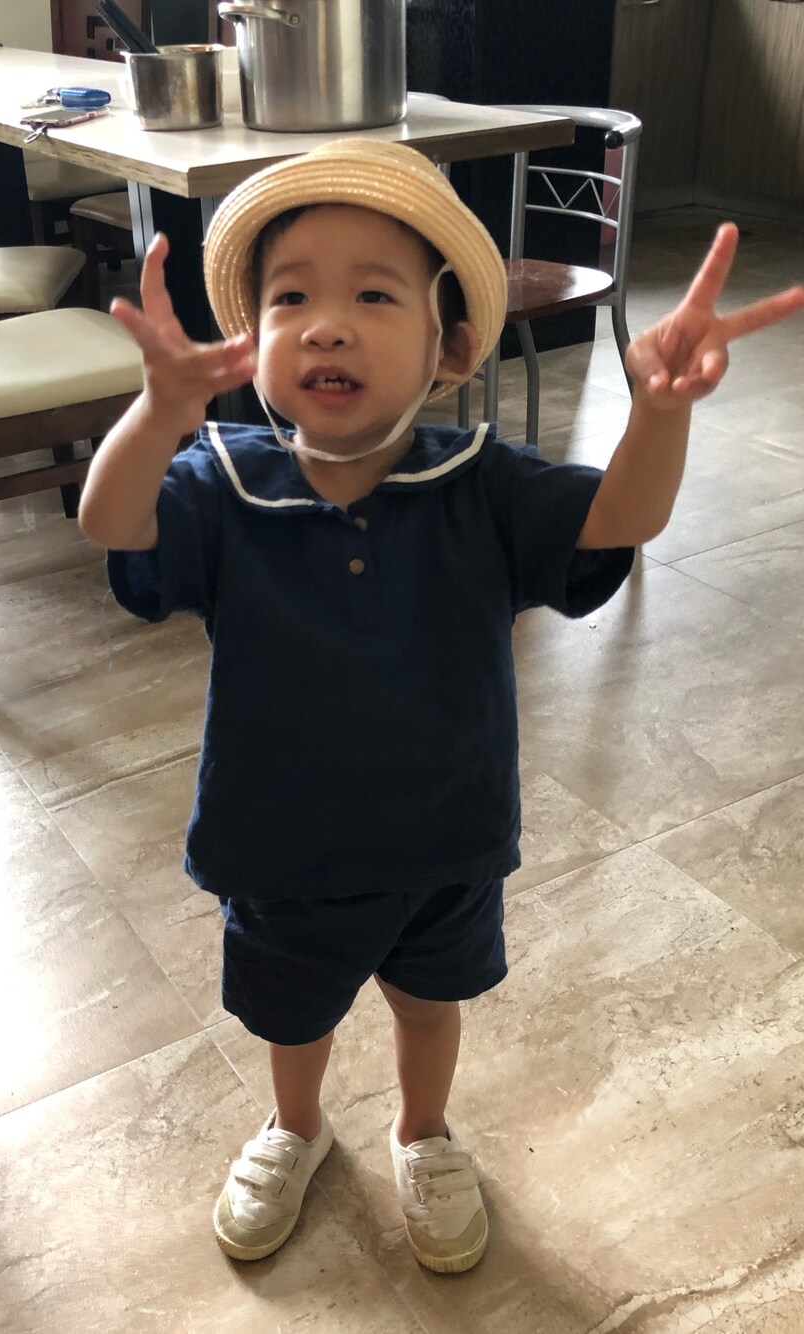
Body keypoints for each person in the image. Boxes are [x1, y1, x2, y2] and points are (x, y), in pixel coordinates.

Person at [78, 140, 804, 1274]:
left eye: (373, 296)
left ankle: (423, 1131)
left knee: (428, 1002)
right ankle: (296, 1127)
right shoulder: (221, 486)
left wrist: (658, 411)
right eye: (291, 298)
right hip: (282, 845)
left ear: (449, 347)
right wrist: (158, 413)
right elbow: (111, 527)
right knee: (294, 1017)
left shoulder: (486, 483)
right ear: (254, 342)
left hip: (444, 838)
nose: (327, 326)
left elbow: (618, 520)